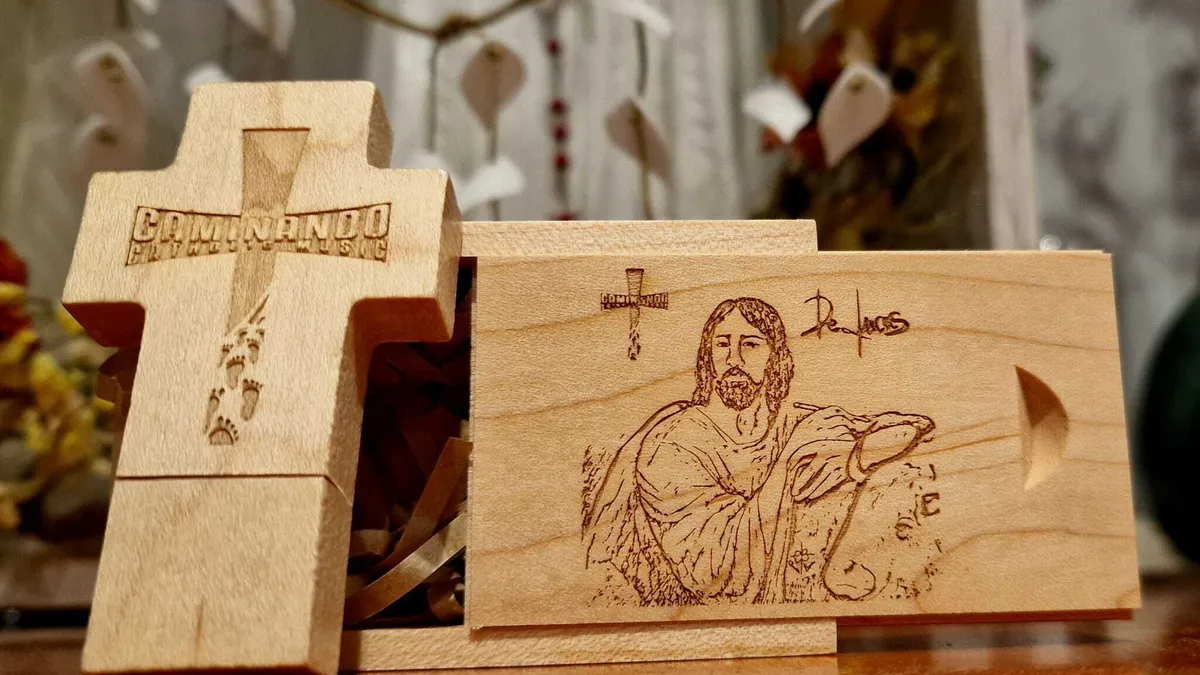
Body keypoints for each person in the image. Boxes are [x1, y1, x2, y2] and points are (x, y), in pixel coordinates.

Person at [583, 297, 934, 605]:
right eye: (722, 345)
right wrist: (791, 462)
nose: (733, 359)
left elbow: (914, 426)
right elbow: (712, 572)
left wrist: (857, 457)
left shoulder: (797, 421)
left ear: (774, 357)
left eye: (750, 344)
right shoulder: (672, 442)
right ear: (708, 357)